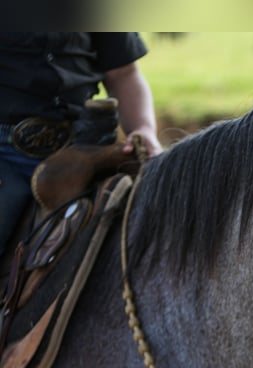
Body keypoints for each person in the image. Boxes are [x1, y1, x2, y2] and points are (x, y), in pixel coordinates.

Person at [0, 33, 162, 256]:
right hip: (6, 156)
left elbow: (124, 74)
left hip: (91, 148)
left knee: (161, 222)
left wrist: (143, 128)